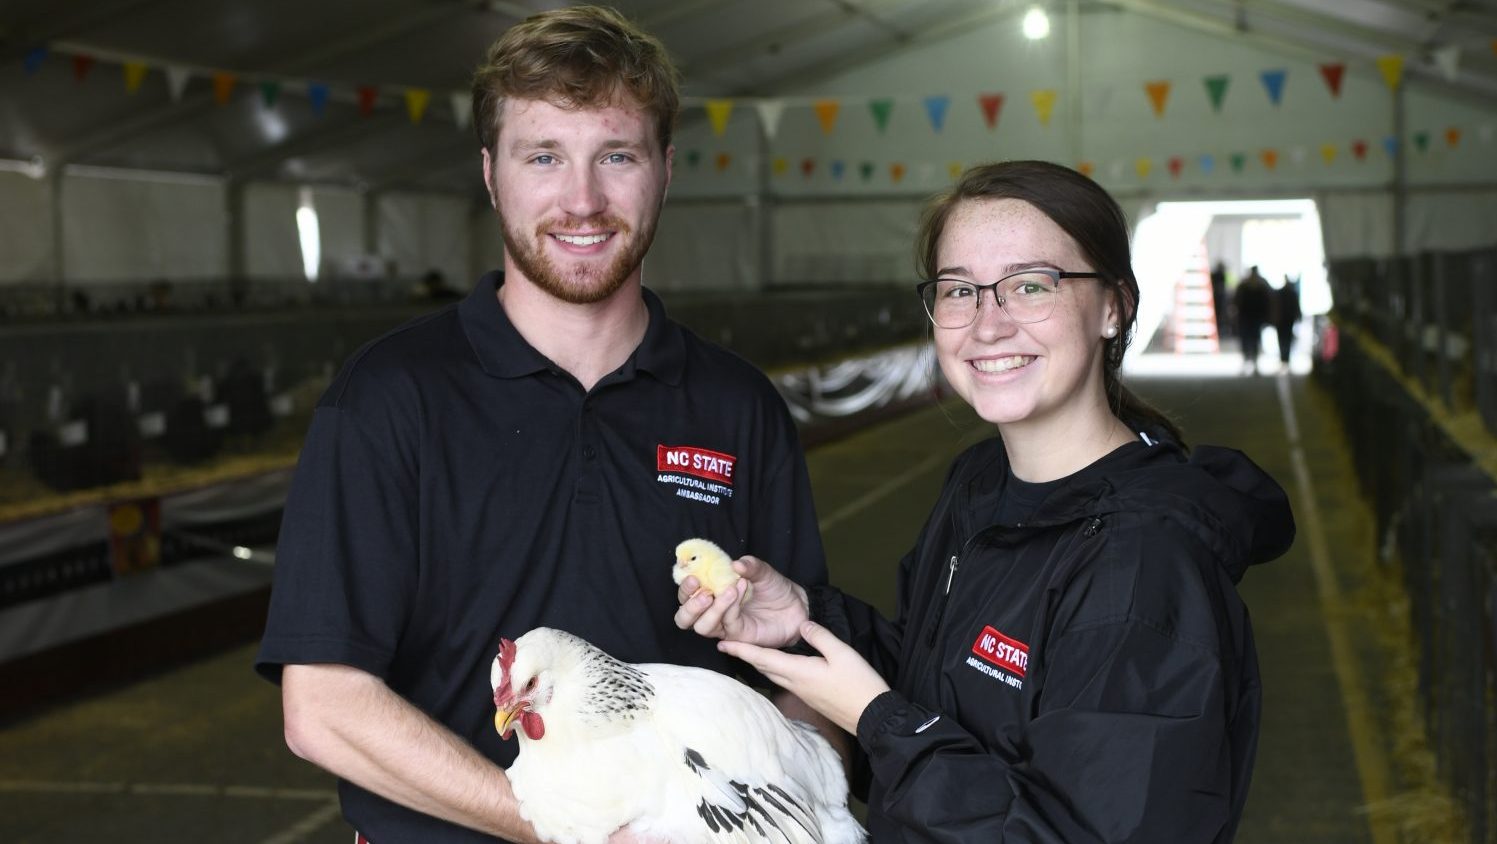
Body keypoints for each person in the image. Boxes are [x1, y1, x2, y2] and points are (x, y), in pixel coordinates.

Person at [255, 7, 831, 842]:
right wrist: (576, 831)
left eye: (617, 156)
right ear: (491, 174)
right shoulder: (388, 398)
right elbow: (324, 708)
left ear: (665, 170)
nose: (583, 200)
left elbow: (800, 675)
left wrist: (785, 814)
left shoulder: (738, 406)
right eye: (544, 156)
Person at [677, 161, 1296, 842]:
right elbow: (949, 697)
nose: (987, 324)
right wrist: (806, 619)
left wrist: (878, 720)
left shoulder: (1141, 562)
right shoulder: (979, 484)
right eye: (958, 290)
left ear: (1113, 307)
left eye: (1031, 286)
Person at [1232, 265, 1273, 375]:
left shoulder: (1260, 285)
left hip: (1255, 318)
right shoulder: (1246, 285)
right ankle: (1247, 361)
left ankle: (1254, 363)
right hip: (1246, 317)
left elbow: (1268, 302)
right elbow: (1236, 300)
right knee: (1246, 340)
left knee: (1254, 340)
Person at [1274, 275, 1302, 369]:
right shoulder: (1287, 293)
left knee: (1285, 339)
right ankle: (1284, 357)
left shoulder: (1290, 293)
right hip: (1284, 319)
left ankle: (1285, 358)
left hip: (1287, 319)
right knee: (1284, 339)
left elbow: (1296, 306)